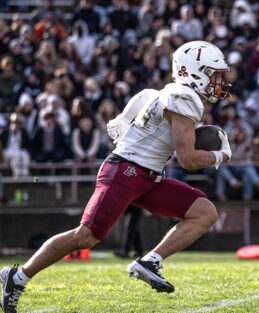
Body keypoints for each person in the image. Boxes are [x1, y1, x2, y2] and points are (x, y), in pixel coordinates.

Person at [0, 41, 233, 312]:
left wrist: (123, 120)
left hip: (148, 176)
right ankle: (17, 278)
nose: (219, 81)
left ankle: (150, 262)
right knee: (85, 237)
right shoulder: (184, 97)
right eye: (215, 74)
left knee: (204, 212)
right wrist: (221, 155)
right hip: (126, 171)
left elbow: (144, 95)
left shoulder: (169, 93)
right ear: (195, 72)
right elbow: (188, 159)